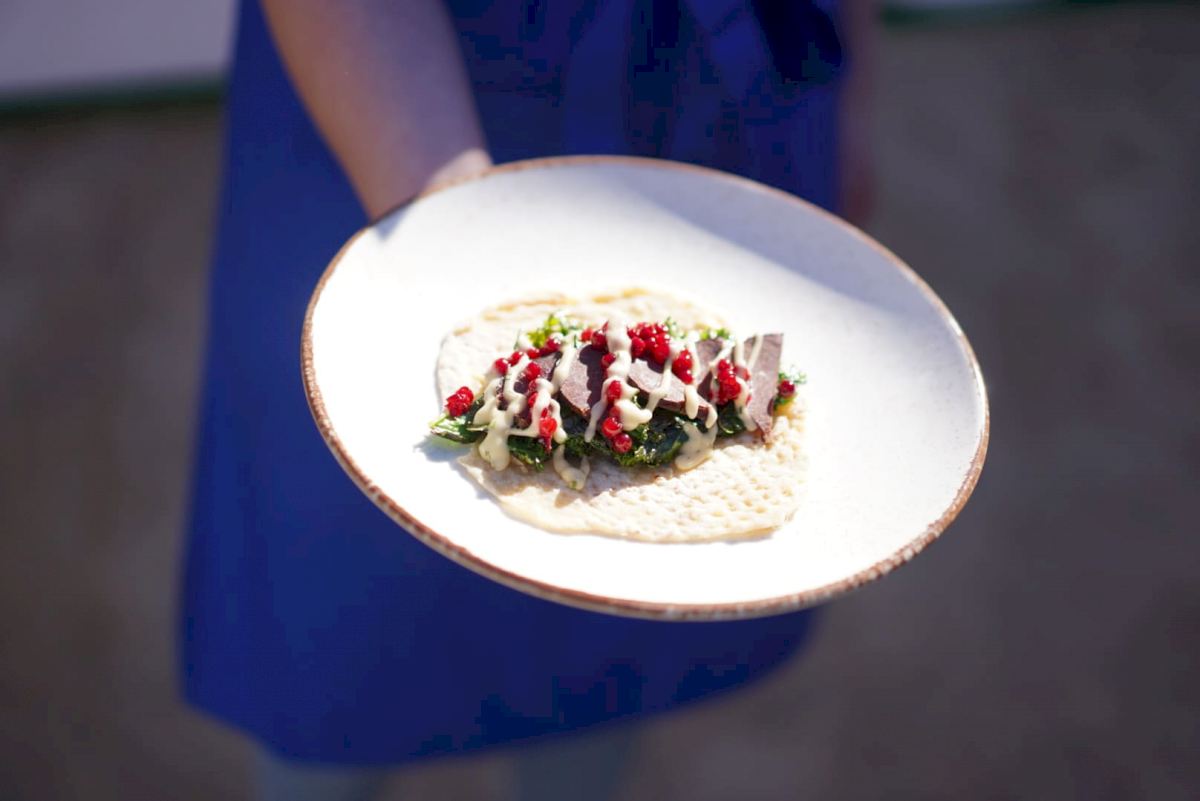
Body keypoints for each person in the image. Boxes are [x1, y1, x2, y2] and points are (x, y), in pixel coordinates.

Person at [181, 1, 872, 798]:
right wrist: (458, 232)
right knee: (338, 628)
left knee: (603, 647)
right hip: (391, 104)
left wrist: (855, 99)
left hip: (706, 97)